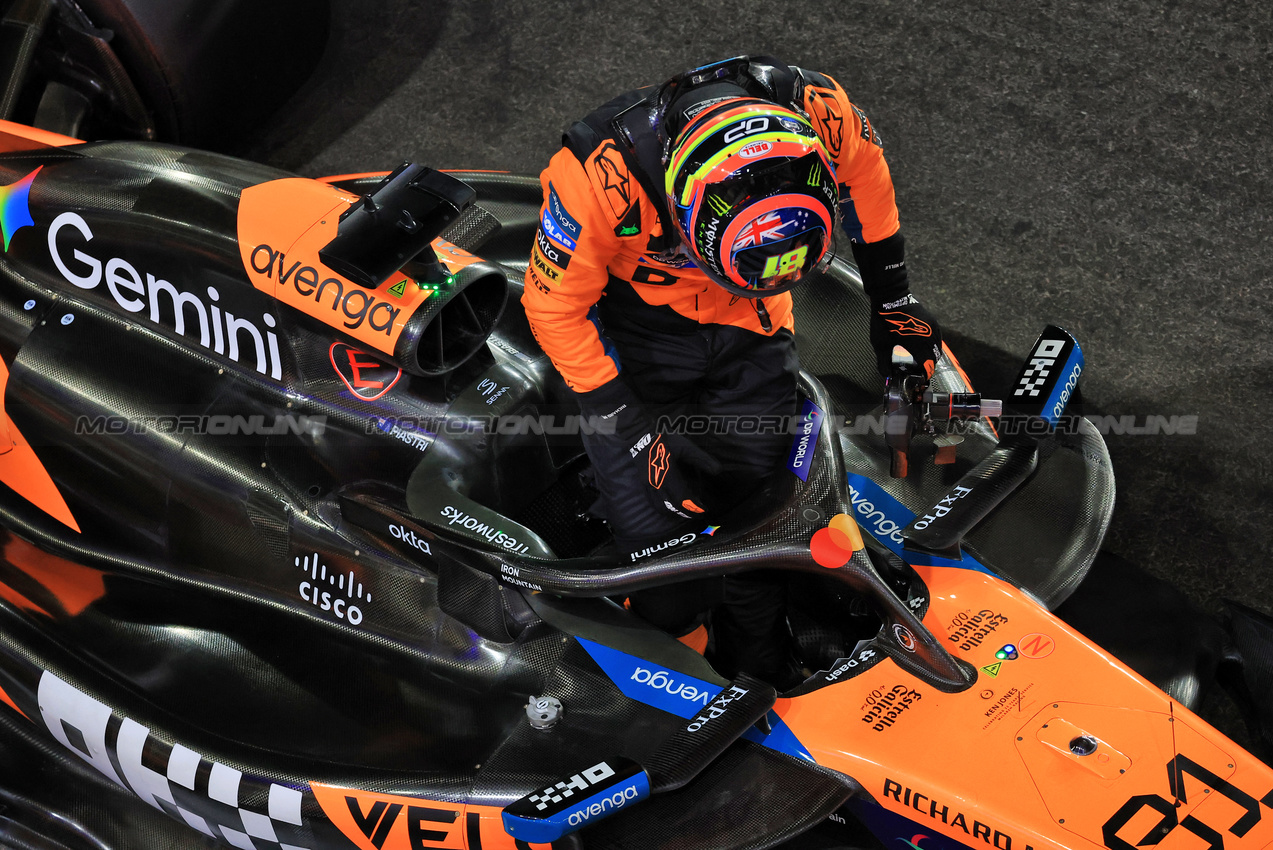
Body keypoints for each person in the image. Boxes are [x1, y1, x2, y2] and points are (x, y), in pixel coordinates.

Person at [522, 55, 942, 685]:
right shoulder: (597, 179)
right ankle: (677, 663)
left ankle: (756, 663)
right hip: (633, 339)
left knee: (766, 510)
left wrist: (895, 303)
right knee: (660, 560)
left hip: (753, 325)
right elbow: (551, 305)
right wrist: (619, 415)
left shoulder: (823, 113)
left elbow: (869, 176)